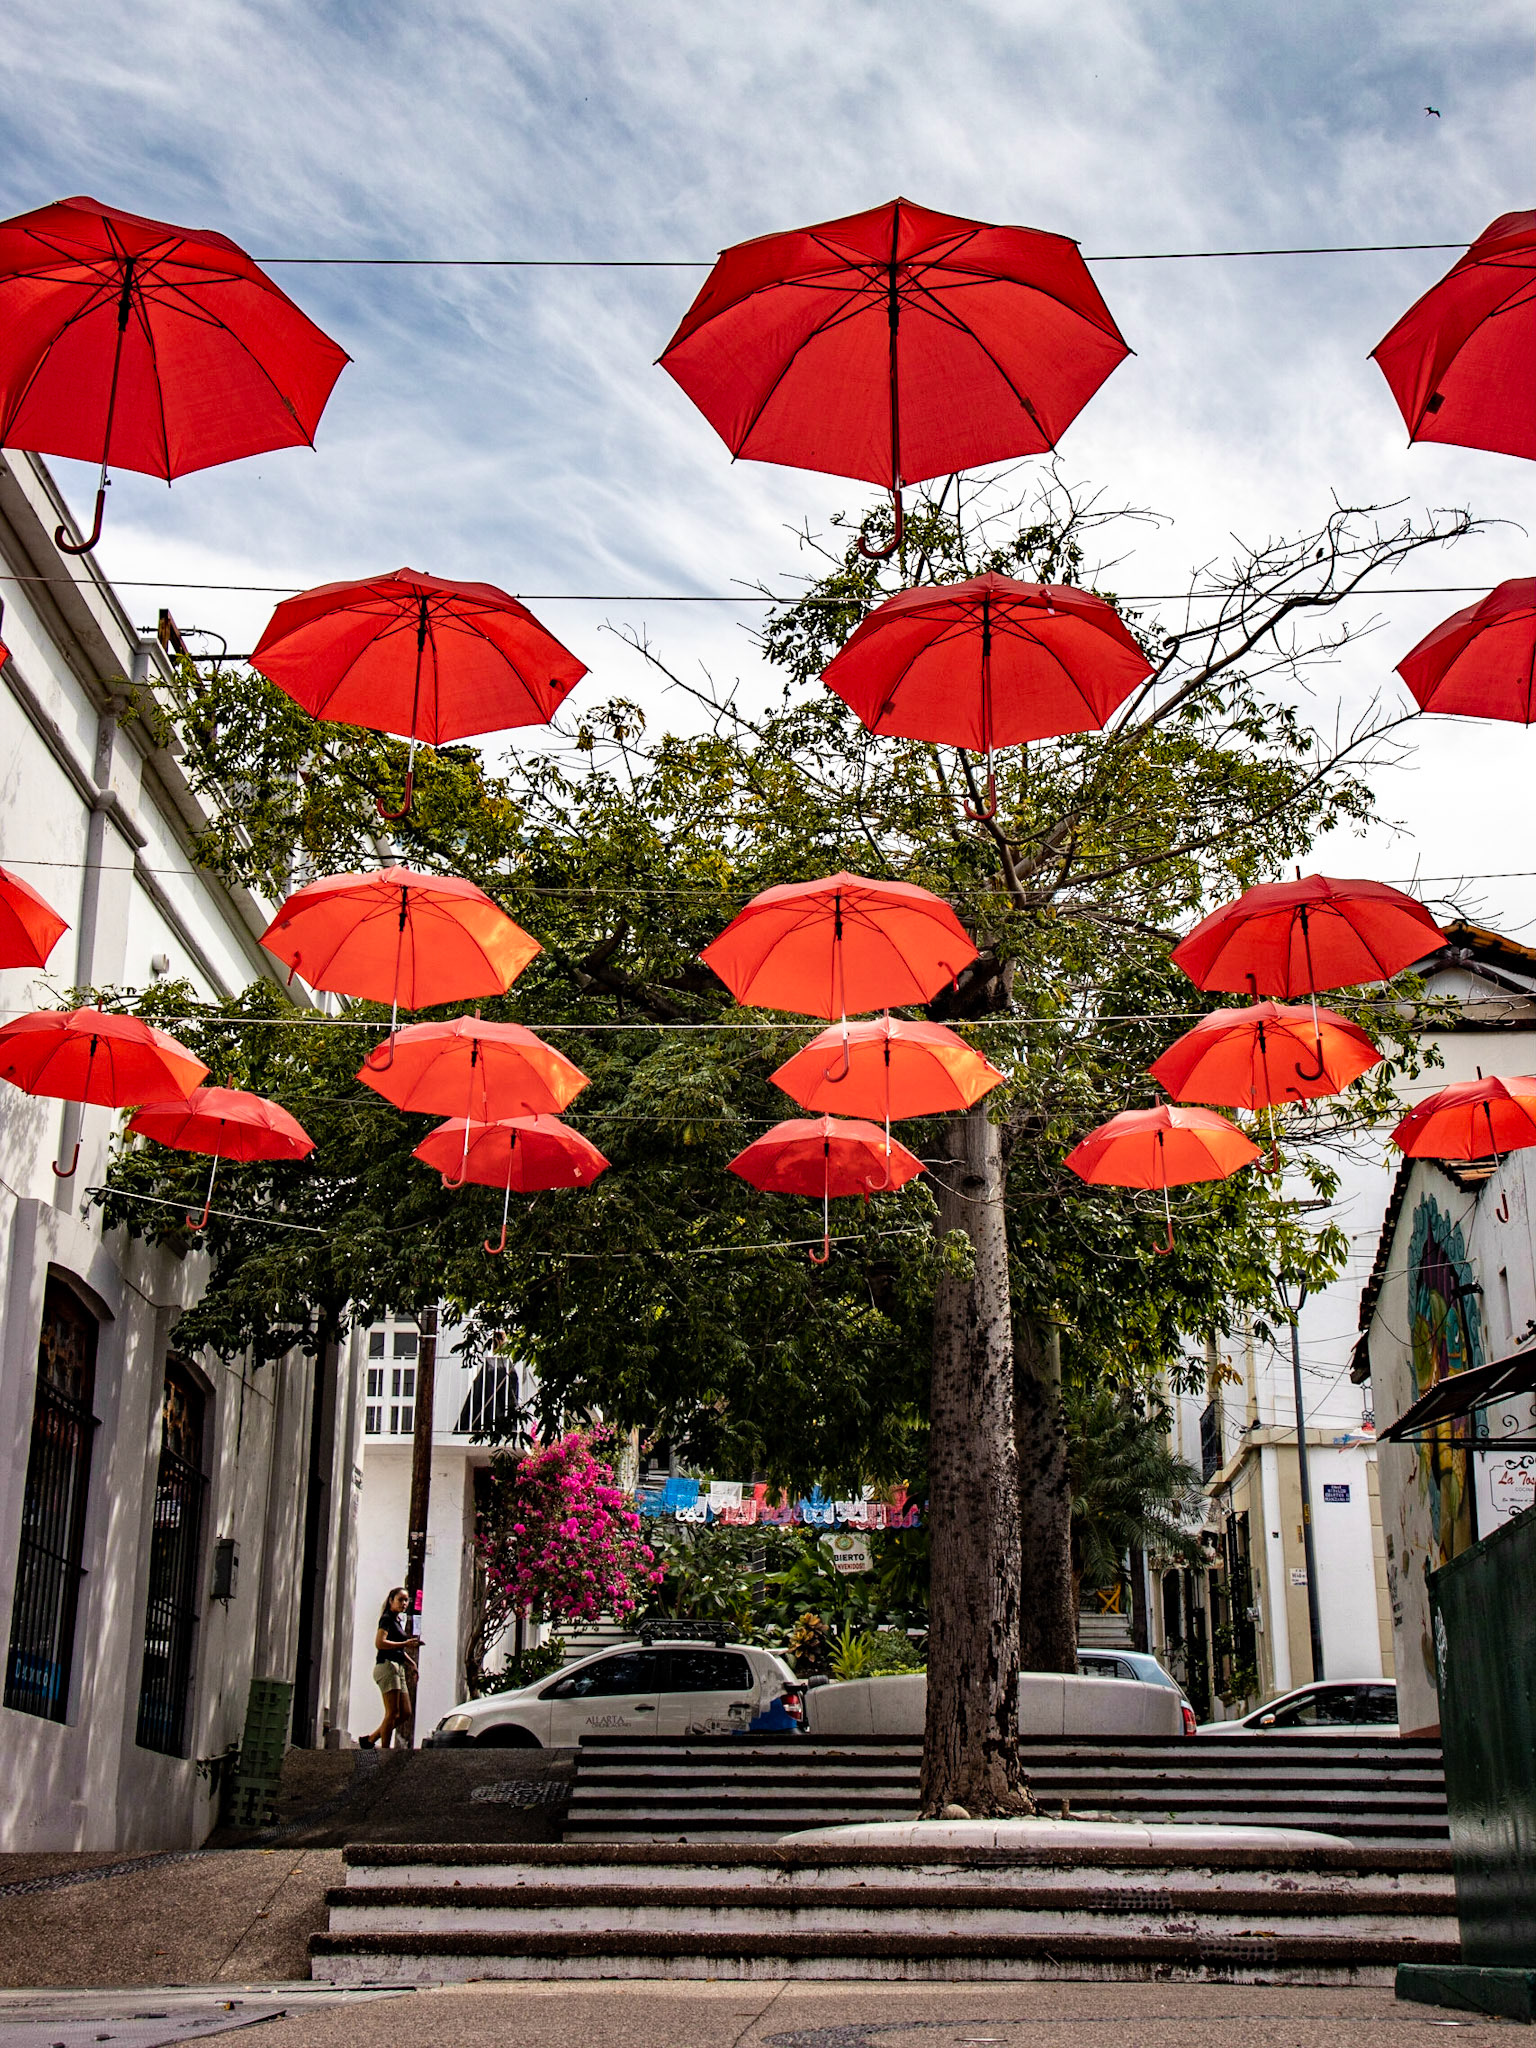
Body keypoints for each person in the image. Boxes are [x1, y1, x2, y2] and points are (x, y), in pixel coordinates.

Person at [360, 1587, 419, 1749]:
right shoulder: (386, 1619)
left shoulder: (397, 1620)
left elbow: (398, 1649)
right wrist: (405, 1643)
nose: (404, 1603)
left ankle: (370, 1739)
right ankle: (385, 1751)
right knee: (392, 1713)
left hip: (398, 1667)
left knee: (405, 1712)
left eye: (406, 1600)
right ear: (391, 1600)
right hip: (386, 1666)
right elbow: (380, 1643)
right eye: (400, 1599)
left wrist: (411, 1664)